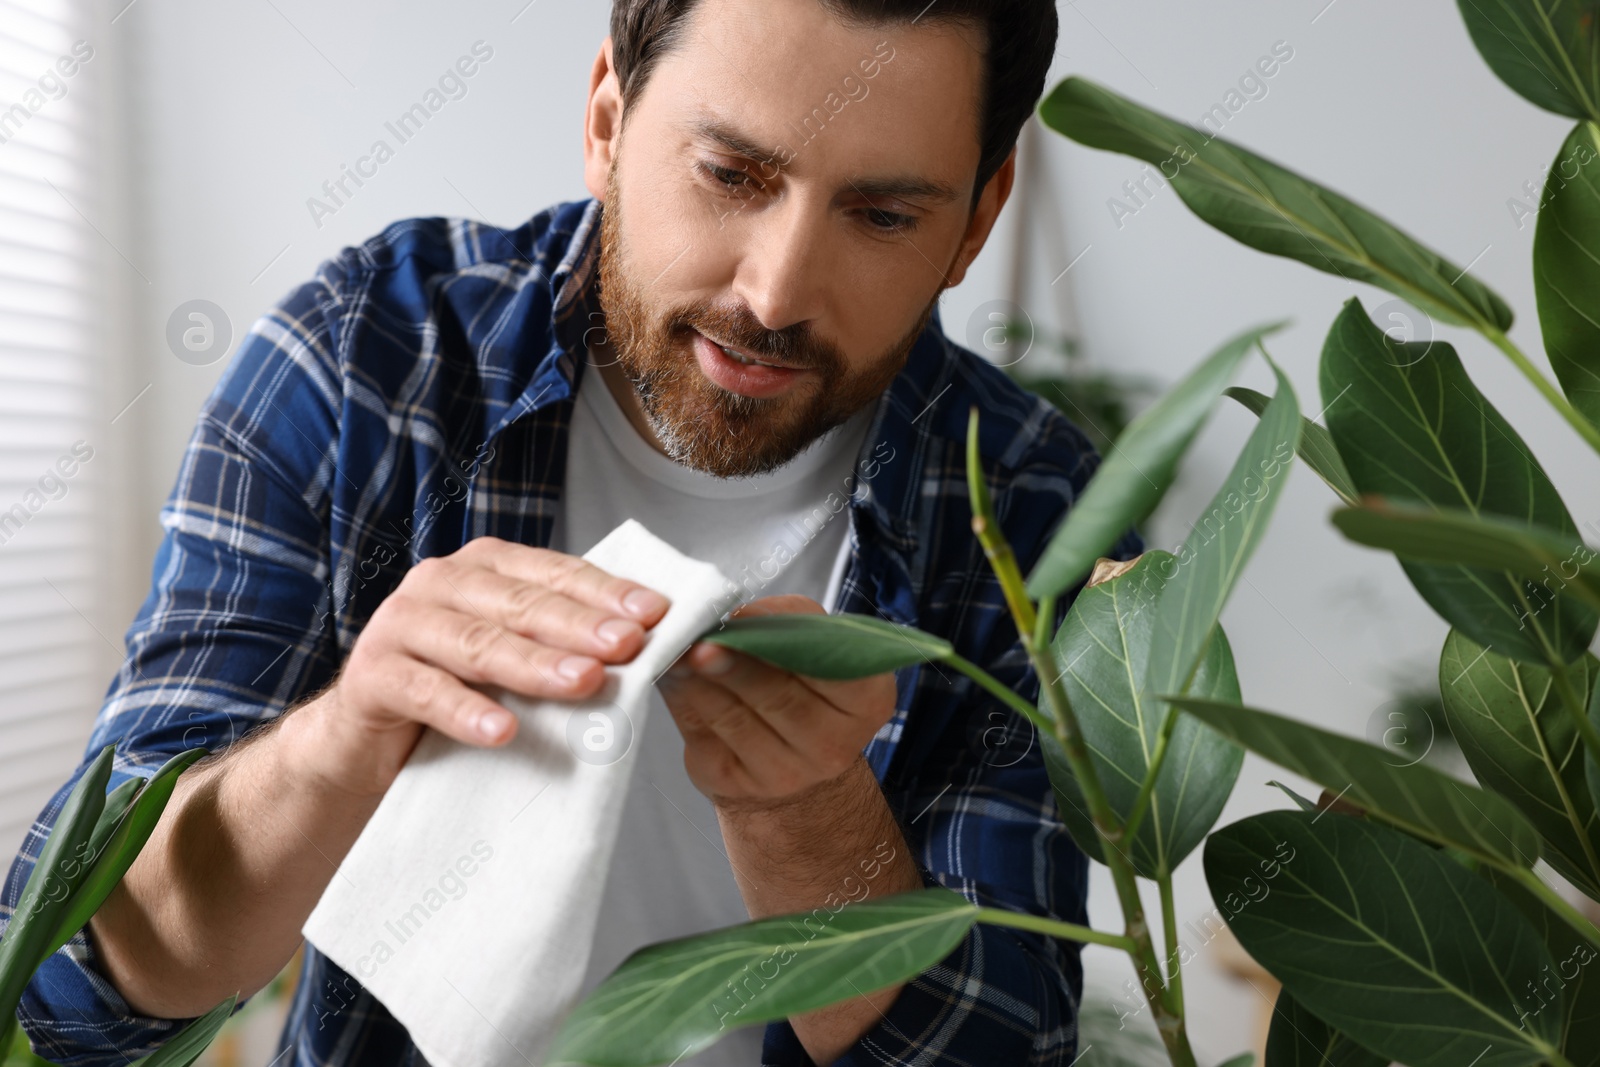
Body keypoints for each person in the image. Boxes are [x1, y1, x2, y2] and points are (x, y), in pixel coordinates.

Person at [5, 1, 1137, 1063]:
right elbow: (72, 987)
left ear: (975, 221)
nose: (778, 289)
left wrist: (805, 812)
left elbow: (1005, 1039)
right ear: (606, 122)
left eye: (883, 215)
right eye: (730, 174)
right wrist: (347, 734)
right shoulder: (371, 362)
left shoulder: (1036, 504)